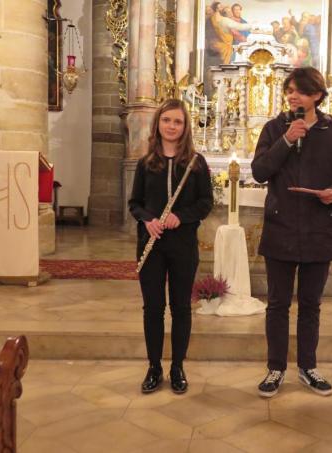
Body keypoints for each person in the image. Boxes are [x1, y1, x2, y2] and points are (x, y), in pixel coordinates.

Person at [251, 67, 332, 398]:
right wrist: (286, 140)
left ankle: (308, 367)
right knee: (278, 304)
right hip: (281, 228)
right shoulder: (275, 129)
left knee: (311, 305)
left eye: (299, 91)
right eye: (290, 90)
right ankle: (275, 368)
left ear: (317, 96)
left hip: (317, 229)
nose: (292, 96)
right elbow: (259, 171)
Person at [129, 99, 214, 395]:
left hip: (182, 245)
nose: (172, 126)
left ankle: (177, 366)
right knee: (153, 308)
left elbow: (206, 203)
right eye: (167, 120)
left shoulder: (196, 163)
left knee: (180, 308)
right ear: (158, 124)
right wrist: (147, 220)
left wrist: (182, 216)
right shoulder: (145, 163)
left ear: (185, 126)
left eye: (177, 121)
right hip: (150, 245)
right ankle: (154, 366)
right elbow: (135, 204)